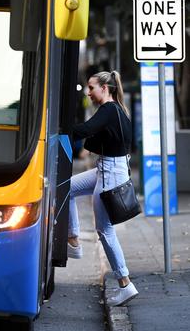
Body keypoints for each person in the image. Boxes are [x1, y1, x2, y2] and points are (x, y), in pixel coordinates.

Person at [67, 70, 138, 307]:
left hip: (111, 173)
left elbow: (85, 131)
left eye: (91, 87)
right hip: (106, 168)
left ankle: (125, 283)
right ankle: (73, 239)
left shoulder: (109, 110)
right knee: (67, 188)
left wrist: (59, 127)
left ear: (105, 88)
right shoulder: (116, 110)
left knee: (104, 230)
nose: (88, 92)